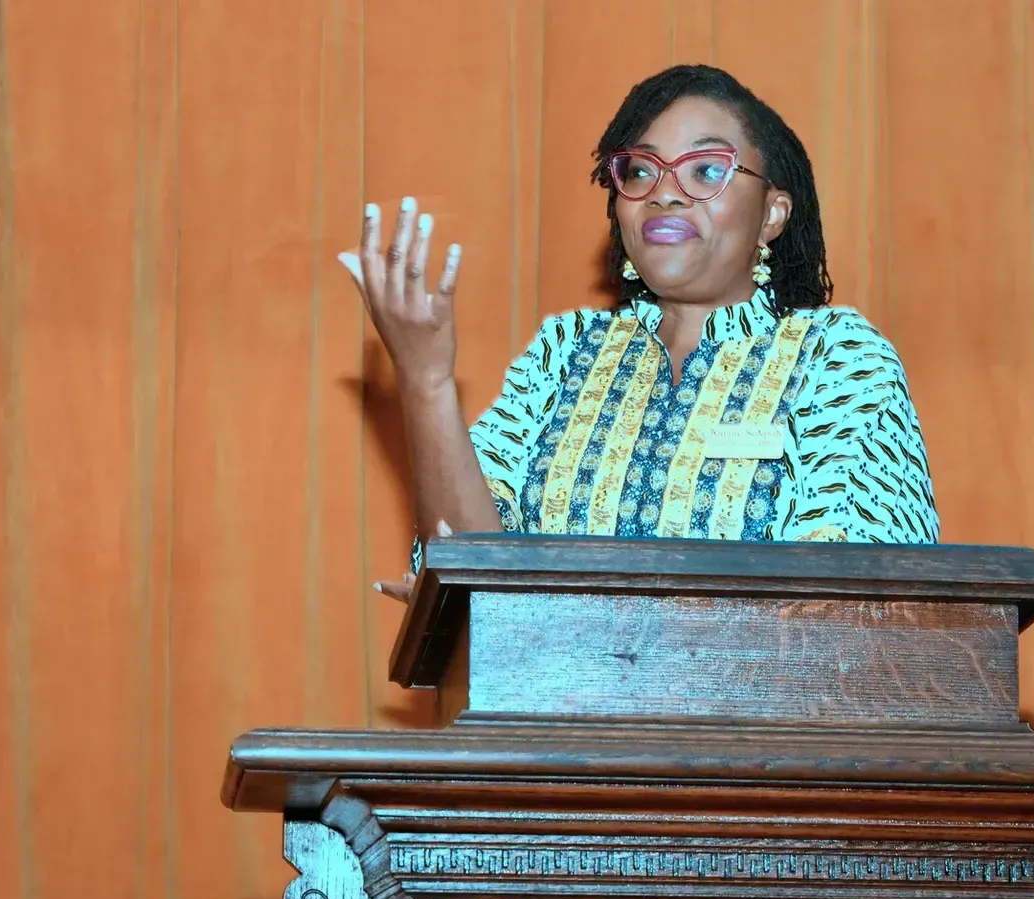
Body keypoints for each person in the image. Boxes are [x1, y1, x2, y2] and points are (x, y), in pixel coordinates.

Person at [340, 65, 939, 601]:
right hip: (553, 714)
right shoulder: (564, 350)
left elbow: (867, 595)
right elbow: (471, 569)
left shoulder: (836, 355)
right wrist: (426, 380)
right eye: (640, 170)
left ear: (772, 214)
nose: (666, 192)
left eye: (707, 169)